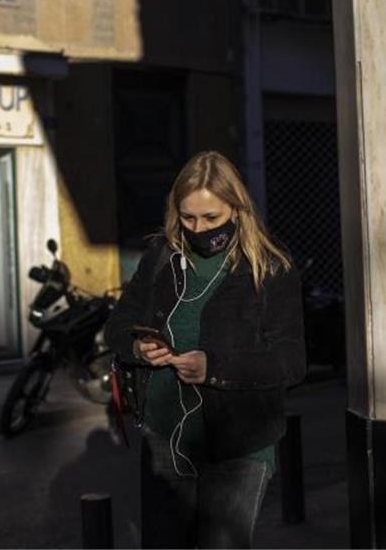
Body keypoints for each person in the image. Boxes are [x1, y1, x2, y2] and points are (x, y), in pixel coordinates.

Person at [104, 150, 305, 549]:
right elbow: (116, 326)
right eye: (188, 217)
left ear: (236, 208)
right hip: (165, 438)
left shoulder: (270, 269)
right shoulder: (162, 257)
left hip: (240, 447)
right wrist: (139, 347)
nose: (198, 228)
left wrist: (214, 367)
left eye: (211, 218)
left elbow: (291, 362)